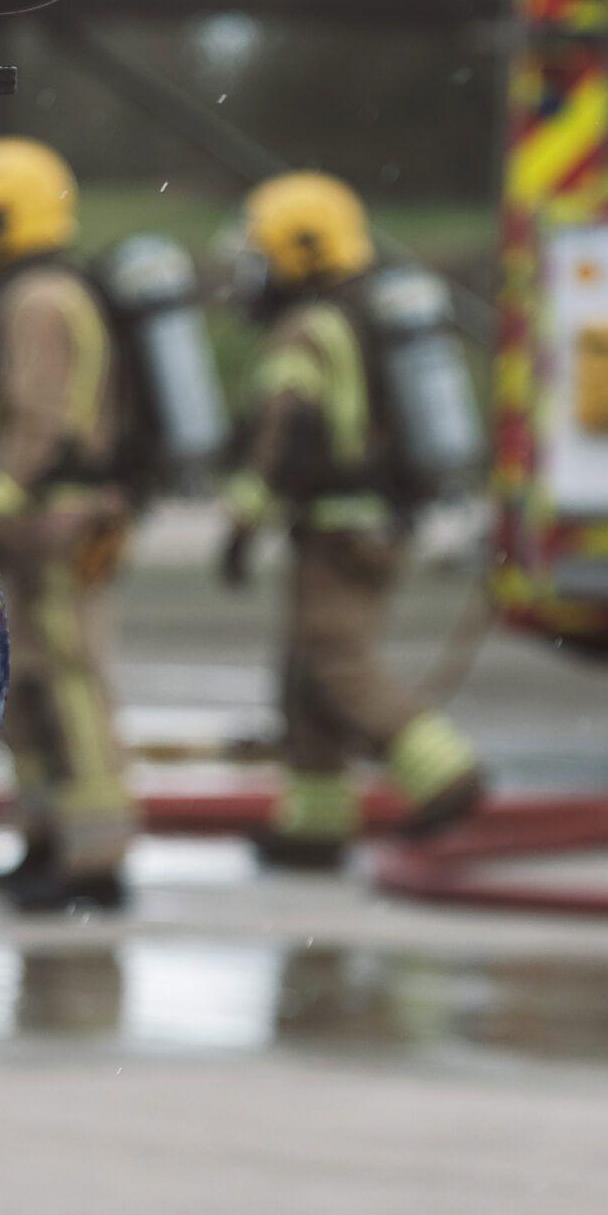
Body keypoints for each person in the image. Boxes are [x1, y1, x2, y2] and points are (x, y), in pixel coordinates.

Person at [218, 172, 489, 868]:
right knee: (306, 674)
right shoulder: (364, 312)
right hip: (372, 522)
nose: (256, 273)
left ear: (302, 252)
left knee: (338, 664)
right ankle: (314, 825)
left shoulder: (308, 327)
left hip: (340, 528)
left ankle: (446, 775)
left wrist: (244, 519)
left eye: (265, 255)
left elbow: (285, 426)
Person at [0, 137, 139, 912]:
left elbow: (39, 421)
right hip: (47, 525)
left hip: (57, 525)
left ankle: (96, 859)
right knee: (30, 691)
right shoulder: (38, 294)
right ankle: (50, 840)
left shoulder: (39, 301)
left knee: (70, 688)